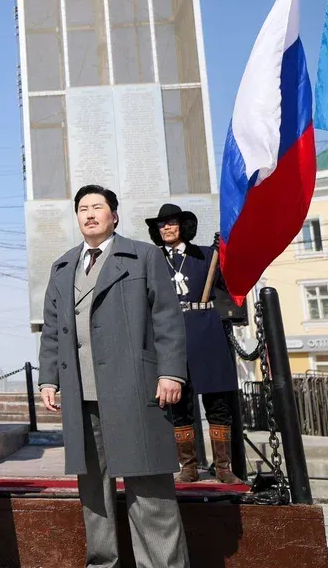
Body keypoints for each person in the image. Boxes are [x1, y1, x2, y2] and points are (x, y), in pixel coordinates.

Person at [39, 185, 191, 568]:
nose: (90, 214)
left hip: (135, 388)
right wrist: (49, 379)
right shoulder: (62, 267)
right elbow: (53, 330)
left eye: (98, 208)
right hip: (80, 393)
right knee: (93, 492)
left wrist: (171, 372)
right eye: (83, 209)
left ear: (114, 216)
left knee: (149, 487)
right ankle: (102, 563)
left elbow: (168, 319)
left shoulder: (143, 256)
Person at [146, 203, 243, 484]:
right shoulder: (153, 260)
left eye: (172, 222)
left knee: (217, 403)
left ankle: (224, 467)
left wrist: (225, 254)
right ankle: (188, 466)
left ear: (183, 226)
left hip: (207, 331)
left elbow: (230, 283)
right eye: (161, 224)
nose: (166, 228)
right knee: (178, 402)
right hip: (172, 335)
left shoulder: (205, 255)